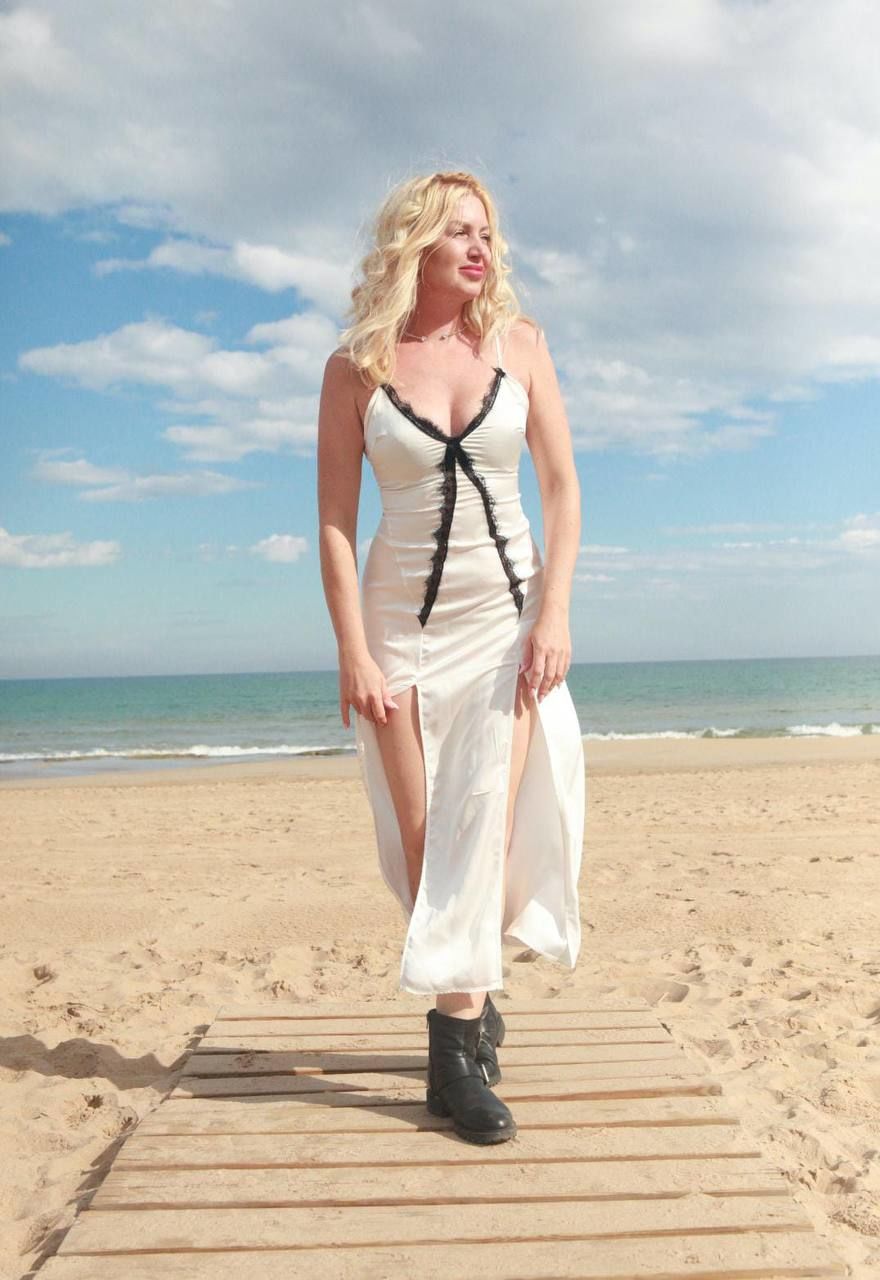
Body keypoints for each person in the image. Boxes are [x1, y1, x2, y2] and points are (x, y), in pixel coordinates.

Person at [317, 170, 585, 1145]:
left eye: (486, 233)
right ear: (415, 244)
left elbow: (562, 487)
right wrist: (352, 650)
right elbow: (335, 520)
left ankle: (453, 1053)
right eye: (459, 232)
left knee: (487, 829)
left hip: (509, 620)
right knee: (428, 838)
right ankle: (470, 1009)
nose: (480, 249)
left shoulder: (522, 346)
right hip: (398, 626)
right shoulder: (356, 367)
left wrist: (554, 614)